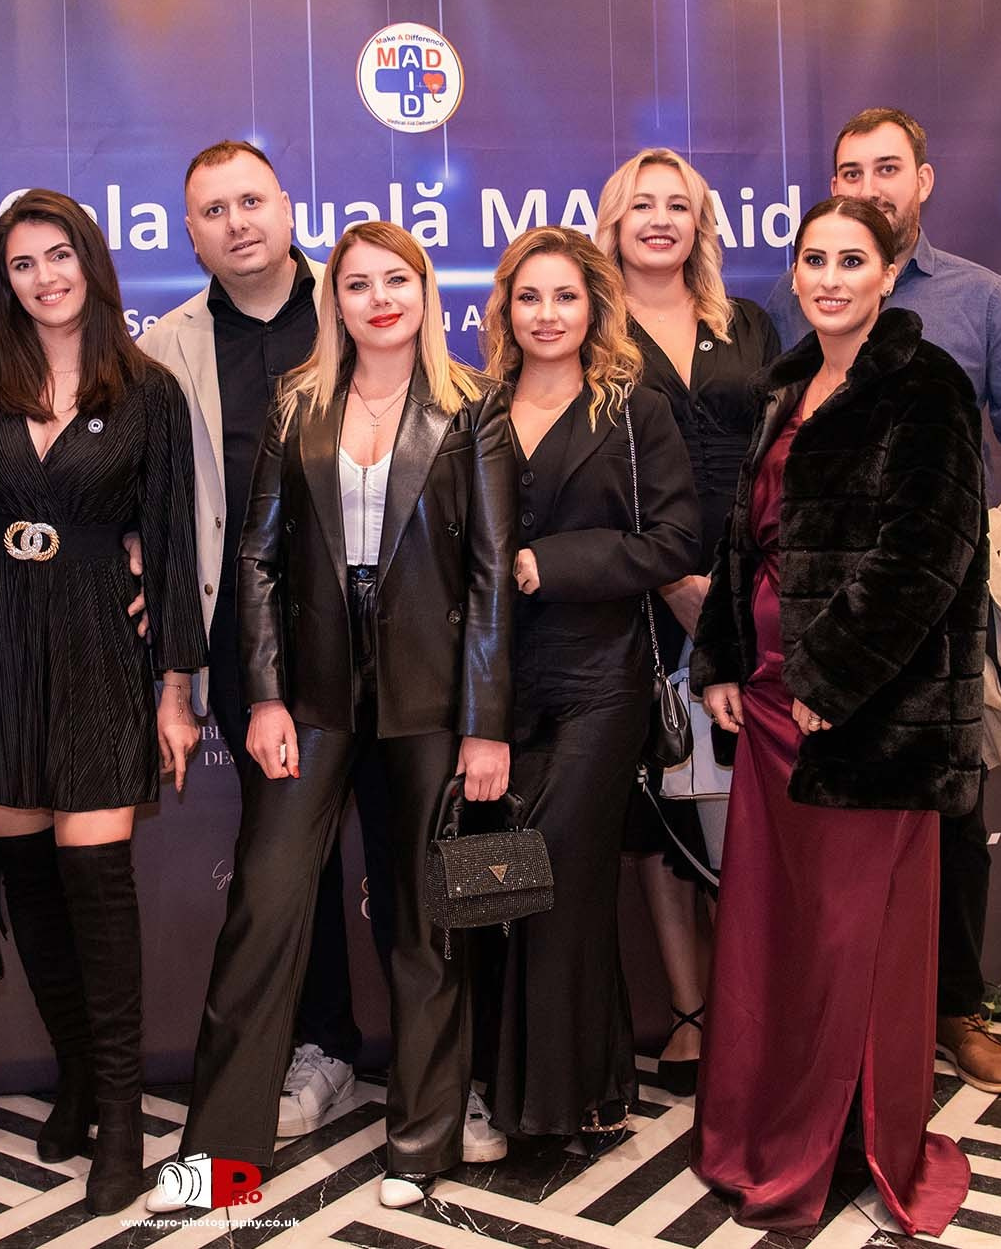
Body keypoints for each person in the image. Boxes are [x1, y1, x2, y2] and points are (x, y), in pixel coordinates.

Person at [157, 220, 515, 1211]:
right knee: (263, 909)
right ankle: (216, 1161)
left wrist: (486, 722)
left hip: (432, 697)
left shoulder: (471, 404)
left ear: (424, 289)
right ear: (335, 300)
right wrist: (266, 693)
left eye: (396, 279)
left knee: (430, 919)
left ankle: (421, 1143)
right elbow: (257, 561)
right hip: (310, 695)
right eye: (357, 284)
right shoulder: (297, 402)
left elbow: (490, 577)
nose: (378, 298)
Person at [0, 188, 206, 1214]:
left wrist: (175, 689)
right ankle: (76, 1073)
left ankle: (120, 1118)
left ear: (91, 262)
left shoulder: (150, 389)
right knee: (29, 888)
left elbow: (170, 543)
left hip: (97, 652)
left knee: (97, 888)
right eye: (23, 263)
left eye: (59, 255)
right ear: (6, 278)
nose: (44, 277)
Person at [766, 108, 1001, 1095]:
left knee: (951, 812)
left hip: (934, 616)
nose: (868, 186)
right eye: (848, 170)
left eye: (886, 168)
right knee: (841, 836)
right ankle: (855, 1023)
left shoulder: (977, 297)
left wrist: (989, 538)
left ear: (923, 181)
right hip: (822, 623)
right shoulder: (800, 302)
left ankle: (956, 1008)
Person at [695, 197, 982, 1234]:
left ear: (889, 270)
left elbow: (926, 552)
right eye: (813, 258)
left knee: (850, 941)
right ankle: (762, 1128)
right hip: (772, 705)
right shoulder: (786, 382)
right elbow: (743, 540)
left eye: (850, 260)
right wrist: (723, 658)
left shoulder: (925, 383)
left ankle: (840, 1146)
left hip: (869, 716)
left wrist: (836, 677)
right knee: (774, 935)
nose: (828, 277)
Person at [140, 142, 415, 1151]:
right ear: (190, 232)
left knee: (414, 851)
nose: (237, 222)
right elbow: (166, 510)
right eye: (212, 209)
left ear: (289, 207)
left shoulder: (358, 300)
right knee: (285, 869)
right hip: (256, 643)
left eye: (251, 199)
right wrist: (176, 669)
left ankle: (440, 1069)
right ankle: (318, 1048)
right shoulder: (166, 346)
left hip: (399, 640)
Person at [477, 226, 699, 1154]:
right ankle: (593, 1086)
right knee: (510, 881)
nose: (547, 314)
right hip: (497, 686)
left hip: (602, 679)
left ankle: (542, 1107)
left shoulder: (635, 410)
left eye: (565, 295)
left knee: (556, 870)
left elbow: (676, 541)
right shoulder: (476, 408)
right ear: (505, 308)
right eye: (529, 297)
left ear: (594, 306)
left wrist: (552, 562)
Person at [595, 148, 782, 1095]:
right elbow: (581, 471)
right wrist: (670, 580)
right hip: (641, 599)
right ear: (615, 222)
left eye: (679, 204)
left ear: (702, 222)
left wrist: (751, 581)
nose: (661, 219)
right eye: (643, 204)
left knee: (749, 800)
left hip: (753, 593)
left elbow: (783, 453)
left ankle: (753, 1011)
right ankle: (690, 1013)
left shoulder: (748, 323)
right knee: (662, 802)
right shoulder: (590, 329)